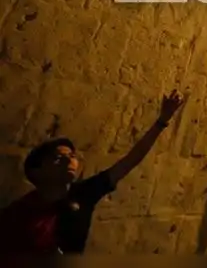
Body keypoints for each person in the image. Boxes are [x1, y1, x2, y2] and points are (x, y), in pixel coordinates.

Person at [0, 90, 185, 254]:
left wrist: (162, 121)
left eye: (72, 155)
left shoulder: (84, 194)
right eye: (58, 158)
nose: (69, 160)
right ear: (37, 172)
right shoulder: (18, 214)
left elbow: (130, 161)